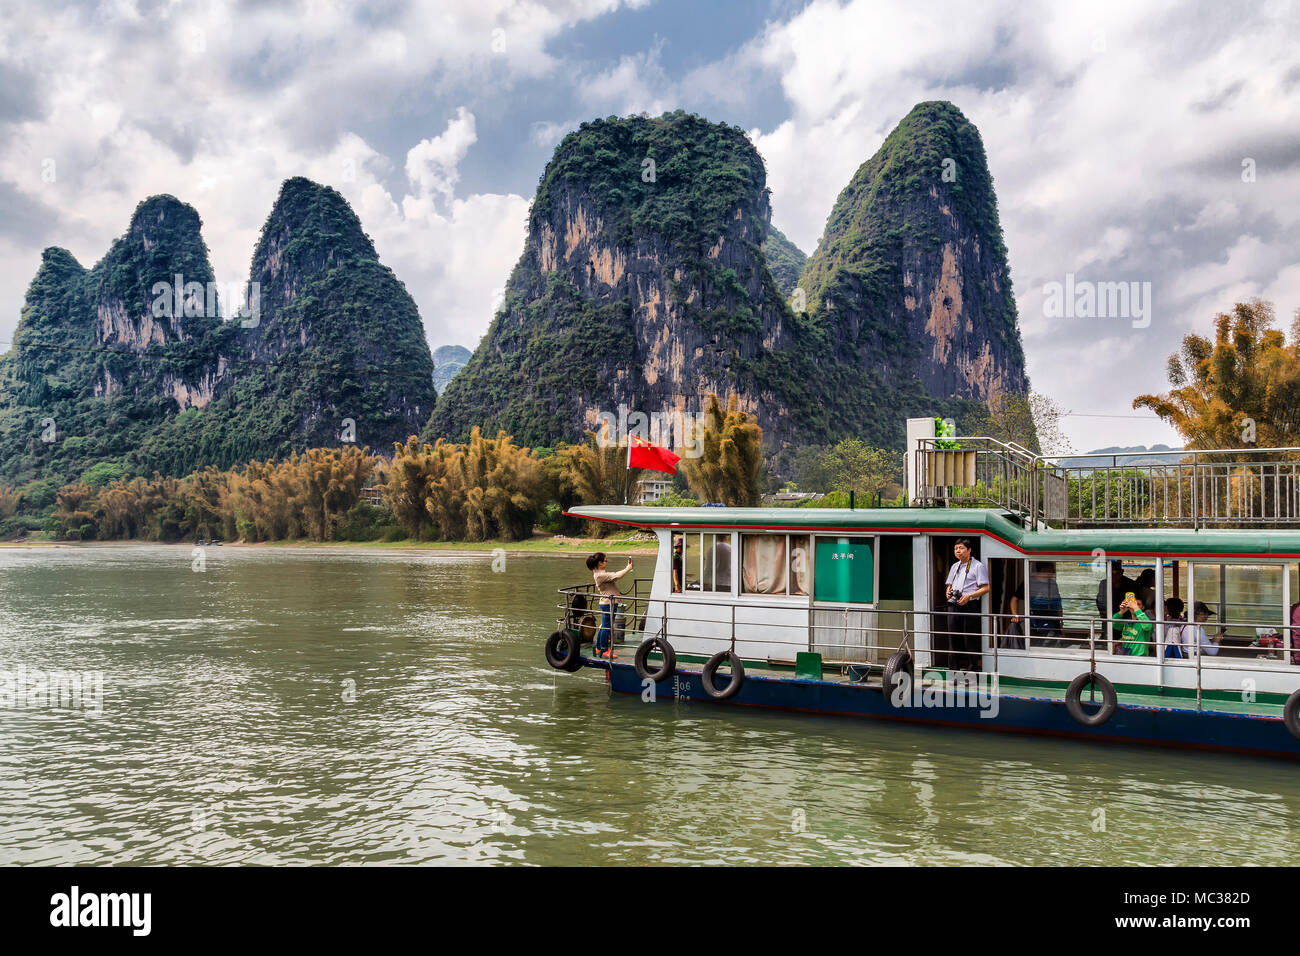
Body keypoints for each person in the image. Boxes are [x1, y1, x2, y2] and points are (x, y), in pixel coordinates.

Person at [943, 538, 989, 672]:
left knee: (970, 640)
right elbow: (949, 585)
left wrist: (969, 596)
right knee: (953, 639)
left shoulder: (977, 566)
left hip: (969, 606)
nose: (958, 551)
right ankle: (953, 671)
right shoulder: (954, 566)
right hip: (953, 606)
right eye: (956, 548)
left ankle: (972, 672)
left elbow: (986, 588)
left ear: (969, 550)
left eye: (961, 548)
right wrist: (948, 592)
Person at [587, 551, 633, 659]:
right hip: (608, 603)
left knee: (605, 626)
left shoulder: (600, 574)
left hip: (609, 603)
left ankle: (599, 648)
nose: (606, 562)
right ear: (600, 563)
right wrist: (628, 568)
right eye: (605, 560)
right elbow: (617, 575)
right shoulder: (600, 575)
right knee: (606, 627)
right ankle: (604, 649)